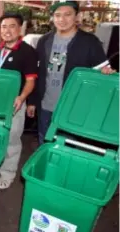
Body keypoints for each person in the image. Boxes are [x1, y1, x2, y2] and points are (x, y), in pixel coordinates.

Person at [27, 0, 116, 145]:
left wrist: (106, 73)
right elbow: (39, 73)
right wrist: (33, 101)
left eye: (68, 14)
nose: (62, 20)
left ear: (76, 16)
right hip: (46, 105)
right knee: (45, 141)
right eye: (57, 15)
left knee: (69, 145)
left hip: (73, 107)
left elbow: (102, 71)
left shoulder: (90, 42)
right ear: (52, 18)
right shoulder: (44, 40)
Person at [0, 13, 38, 190]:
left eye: (12, 26)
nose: (7, 30)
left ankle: (8, 174)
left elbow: (31, 80)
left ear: (20, 29)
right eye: (4, 26)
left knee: (12, 139)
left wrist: (22, 98)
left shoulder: (28, 52)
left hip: (14, 103)